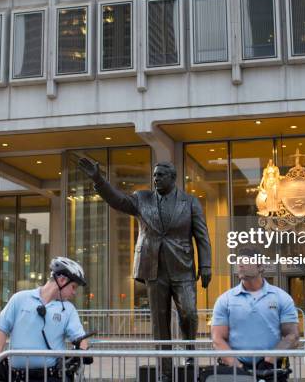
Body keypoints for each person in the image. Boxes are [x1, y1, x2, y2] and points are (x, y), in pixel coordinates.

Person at [78, 158, 212, 381]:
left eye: (160, 175)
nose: (156, 178)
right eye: (154, 175)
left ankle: (190, 352)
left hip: (182, 267)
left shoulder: (190, 202)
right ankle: (165, 370)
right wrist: (98, 179)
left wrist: (206, 264)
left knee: (188, 312)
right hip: (153, 267)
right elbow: (118, 200)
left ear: (172, 178)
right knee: (159, 321)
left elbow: (202, 235)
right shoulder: (143, 198)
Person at [0, 257, 90, 382]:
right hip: (17, 377)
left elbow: (80, 337)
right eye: (73, 287)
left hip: (51, 377)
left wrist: (82, 352)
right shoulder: (19, 298)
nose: (74, 292)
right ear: (62, 280)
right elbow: (0, 330)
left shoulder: (68, 309)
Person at [211, 247, 299, 380]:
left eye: (245, 260)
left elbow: (293, 336)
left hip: (271, 369)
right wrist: (238, 367)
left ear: (260, 266)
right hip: (236, 370)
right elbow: (217, 339)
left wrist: (269, 361)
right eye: (238, 261)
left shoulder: (281, 297)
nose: (240, 264)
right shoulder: (225, 299)